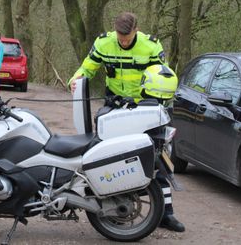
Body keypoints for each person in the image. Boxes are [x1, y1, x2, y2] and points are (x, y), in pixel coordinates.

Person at [69, 12, 185, 233]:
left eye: (127, 38)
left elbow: (163, 75)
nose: (123, 42)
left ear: (136, 30)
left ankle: (166, 214)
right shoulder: (104, 43)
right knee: (109, 157)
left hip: (145, 108)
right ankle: (112, 207)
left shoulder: (150, 46)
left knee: (157, 158)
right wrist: (75, 80)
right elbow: (88, 67)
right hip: (114, 106)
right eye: (120, 38)